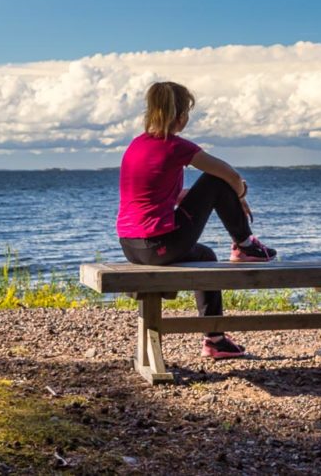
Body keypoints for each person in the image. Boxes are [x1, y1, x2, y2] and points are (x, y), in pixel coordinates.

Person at [116, 81, 277, 360]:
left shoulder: (137, 145)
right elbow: (229, 174)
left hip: (131, 246)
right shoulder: (176, 147)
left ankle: (215, 340)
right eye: (187, 111)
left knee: (206, 256)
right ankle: (245, 244)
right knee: (215, 180)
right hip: (158, 244)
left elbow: (161, 193)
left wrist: (206, 198)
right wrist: (239, 193)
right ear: (180, 115)